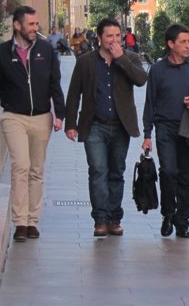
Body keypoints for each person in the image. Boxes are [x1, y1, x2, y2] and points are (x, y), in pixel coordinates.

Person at [0, 6, 65, 242]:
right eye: (30, 24)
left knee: (36, 170)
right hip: (13, 117)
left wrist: (59, 114)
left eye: (36, 24)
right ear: (17, 25)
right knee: (20, 166)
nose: (35, 28)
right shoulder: (2, 53)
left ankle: (32, 221)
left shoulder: (46, 50)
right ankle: (19, 222)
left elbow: (55, 83)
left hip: (42, 117)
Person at [65, 18, 147, 237]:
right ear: (99, 38)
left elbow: (141, 79)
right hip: (94, 126)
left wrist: (121, 58)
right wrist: (70, 124)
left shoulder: (130, 58)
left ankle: (114, 218)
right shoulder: (85, 62)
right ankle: (100, 219)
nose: (114, 40)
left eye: (118, 36)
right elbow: (74, 94)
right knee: (98, 171)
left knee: (116, 172)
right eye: (109, 36)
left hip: (121, 126)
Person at [143, 24, 189, 239]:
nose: (188, 45)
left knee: (186, 177)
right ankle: (168, 213)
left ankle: (182, 221)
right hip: (166, 128)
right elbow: (150, 102)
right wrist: (147, 134)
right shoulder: (158, 70)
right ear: (170, 44)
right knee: (168, 171)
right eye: (183, 42)